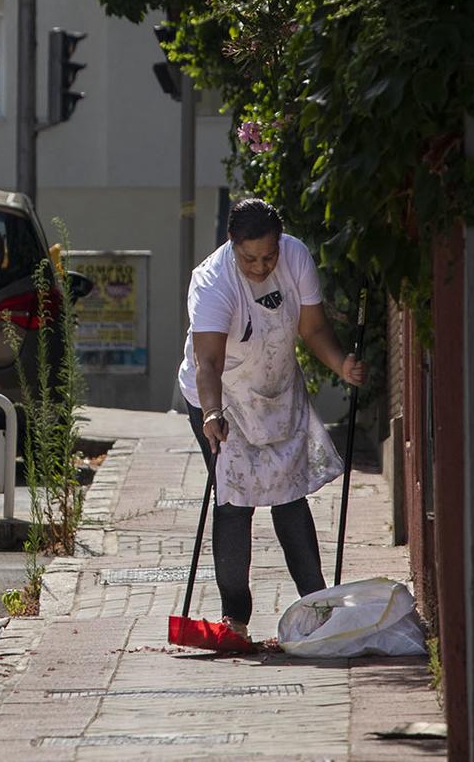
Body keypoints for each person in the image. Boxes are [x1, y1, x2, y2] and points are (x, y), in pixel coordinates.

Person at [177, 197, 366, 639]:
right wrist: (211, 412)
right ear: (232, 243)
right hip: (222, 397)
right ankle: (235, 619)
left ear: (280, 243)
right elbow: (208, 362)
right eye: (250, 258)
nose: (261, 267)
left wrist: (341, 365)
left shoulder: (295, 257)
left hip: (278, 391)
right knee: (234, 501)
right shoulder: (213, 282)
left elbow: (312, 328)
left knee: (290, 495)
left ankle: (317, 607)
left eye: (268, 256)